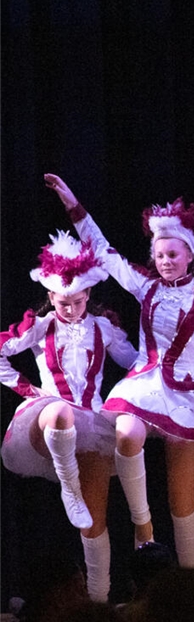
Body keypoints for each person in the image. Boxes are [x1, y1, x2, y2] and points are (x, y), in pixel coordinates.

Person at [45, 176, 194, 568]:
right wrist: (72, 202)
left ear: (191, 255)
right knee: (126, 431)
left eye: (173, 254)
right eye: (160, 255)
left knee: (182, 497)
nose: (166, 261)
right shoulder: (145, 286)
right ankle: (144, 527)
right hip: (146, 383)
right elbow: (103, 252)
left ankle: (189, 580)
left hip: (189, 395)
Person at [1, 233, 136, 600]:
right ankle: (69, 488)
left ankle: (99, 598)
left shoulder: (103, 329)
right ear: (50, 297)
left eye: (77, 302)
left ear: (88, 295)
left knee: (95, 519)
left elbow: (138, 364)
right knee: (61, 410)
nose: (71, 309)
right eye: (63, 303)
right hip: (49, 415)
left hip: (92, 422)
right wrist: (28, 389)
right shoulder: (41, 328)